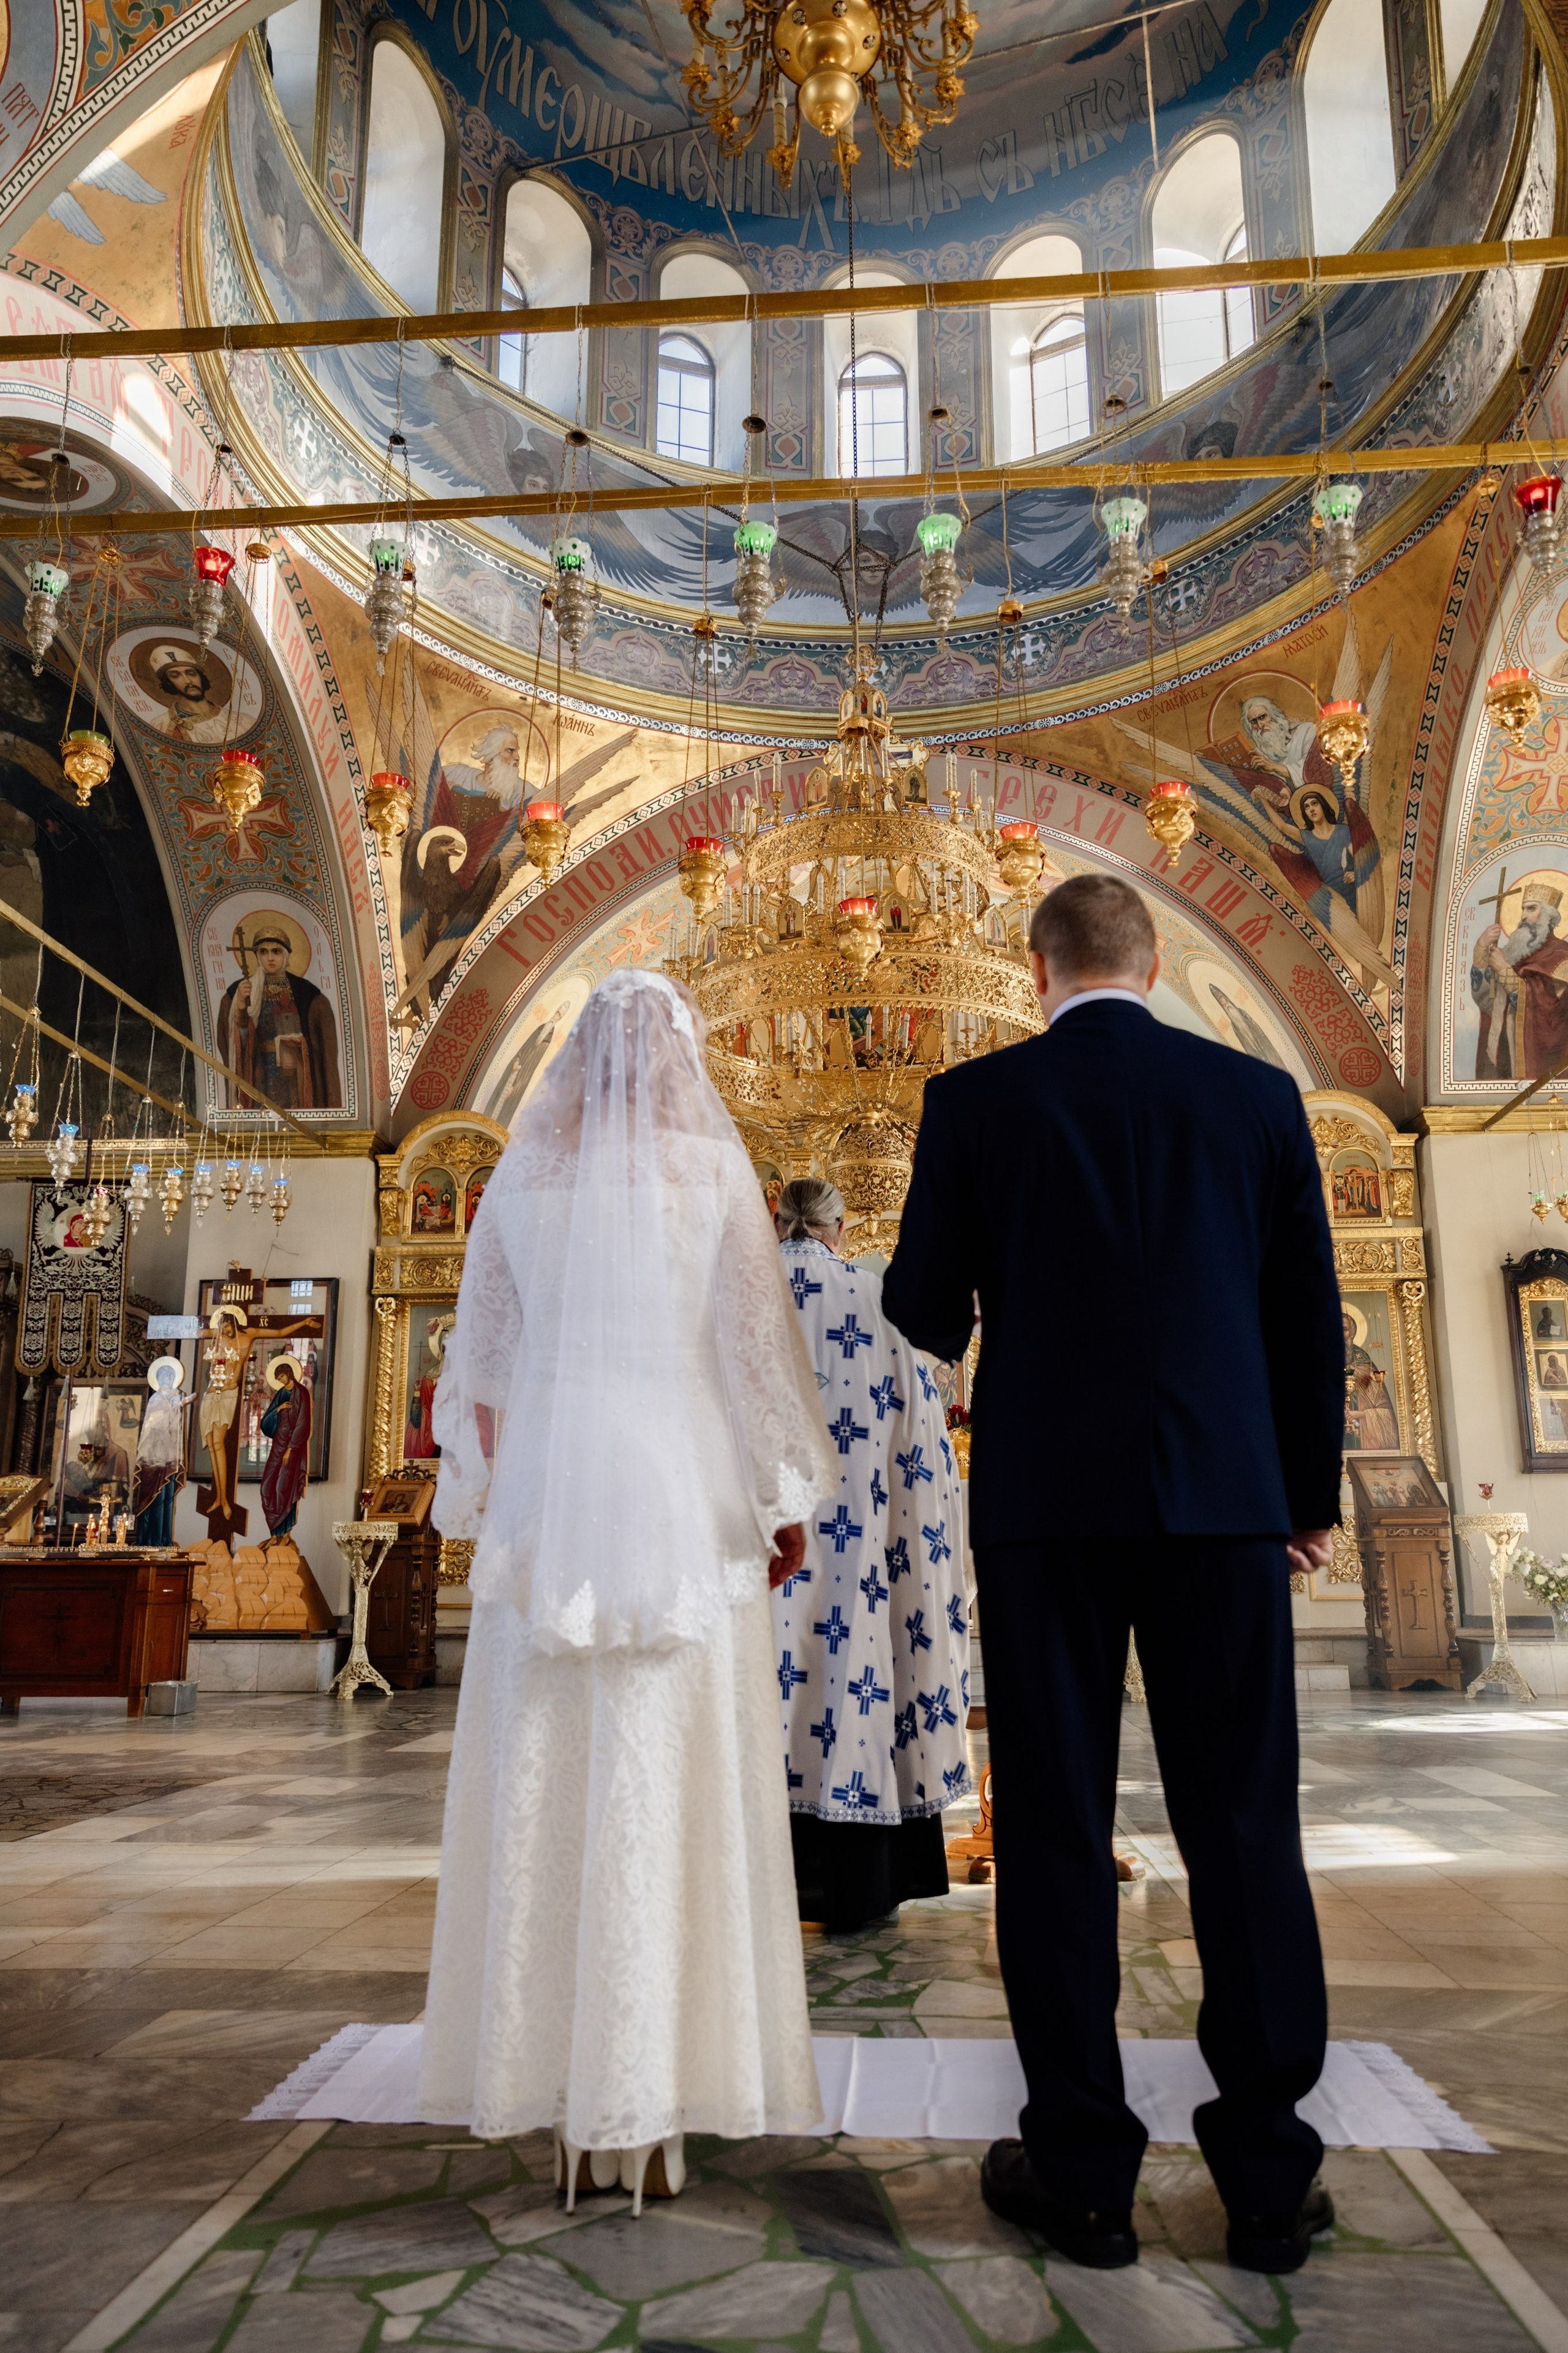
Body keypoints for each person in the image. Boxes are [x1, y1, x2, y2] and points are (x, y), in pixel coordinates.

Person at [884, 872, 1343, 2279]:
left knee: (1053, 1829)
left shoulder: (975, 1099)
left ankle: (1081, 2175)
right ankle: (1265, 2182)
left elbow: (920, 1305)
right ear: (1151, 964)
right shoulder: (1254, 1097)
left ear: (1037, 970)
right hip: (1222, 1504)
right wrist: (1302, 1500)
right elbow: (1304, 1312)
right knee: (1243, 1827)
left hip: (1044, 1511)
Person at [418, 969, 836, 2202]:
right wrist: (780, 1504)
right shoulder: (711, 1174)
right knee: (675, 1774)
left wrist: (504, 1489)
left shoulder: (520, 1182)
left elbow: (480, 1378)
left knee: (546, 1774)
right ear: (676, 1060)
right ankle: (659, 2082)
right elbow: (754, 1358)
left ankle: (556, 2085)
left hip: (553, 1500)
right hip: (682, 1493)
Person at [771, 1176, 970, 1933]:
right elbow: (922, 1447)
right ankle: (855, 1884)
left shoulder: (740, 1291)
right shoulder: (872, 1299)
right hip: (859, 1547)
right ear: (840, 1229)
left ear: (776, 1222)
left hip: (761, 1541)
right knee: (849, 1681)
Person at [258, 1354, 312, 1536]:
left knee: (283, 1488)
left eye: (282, 1376)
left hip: (292, 1449)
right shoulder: (280, 1394)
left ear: (289, 1373)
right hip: (277, 1446)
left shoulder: (301, 1393)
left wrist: (290, 1449)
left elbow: (303, 1423)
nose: (281, 1380)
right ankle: (274, 1533)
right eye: (278, 1378)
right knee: (266, 1488)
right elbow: (266, 1422)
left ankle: (283, 1535)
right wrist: (279, 1409)